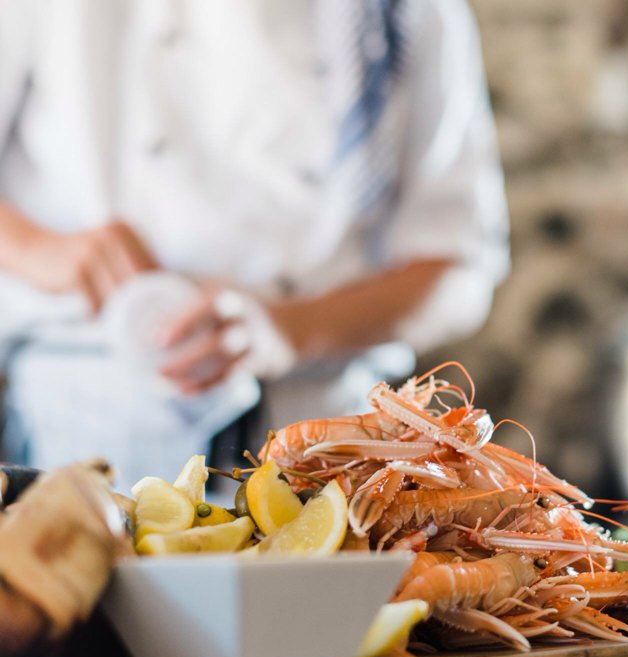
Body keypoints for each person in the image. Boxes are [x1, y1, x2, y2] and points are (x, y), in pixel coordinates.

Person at [0, 1, 508, 486]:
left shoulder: (409, 9)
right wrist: (46, 251)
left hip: (332, 442)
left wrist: (289, 330)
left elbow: (458, 270)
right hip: (83, 426)